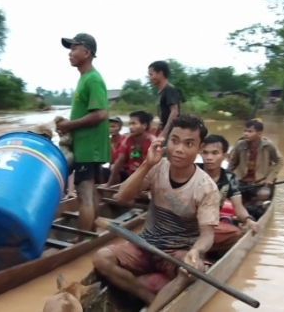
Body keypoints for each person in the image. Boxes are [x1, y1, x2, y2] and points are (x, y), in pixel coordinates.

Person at [92, 114, 220, 312]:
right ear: (167, 141)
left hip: (177, 252)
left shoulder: (206, 187)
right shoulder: (157, 167)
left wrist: (196, 251)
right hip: (145, 245)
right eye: (174, 141)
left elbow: (207, 235)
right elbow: (121, 198)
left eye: (188, 144)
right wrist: (147, 164)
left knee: (195, 270)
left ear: (200, 149)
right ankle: (150, 298)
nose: (179, 149)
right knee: (101, 258)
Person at [56, 33, 109, 242]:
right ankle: (91, 235)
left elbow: (100, 113)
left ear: (86, 52)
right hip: (86, 145)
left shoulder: (93, 79)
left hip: (90, 147)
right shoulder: (84, 78)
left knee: (84, 194)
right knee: (91, 192)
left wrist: (69, 124)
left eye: (74, 48)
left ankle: (82, 239)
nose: (70, 53)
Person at [198, 135, 260, 253]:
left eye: (215, 153)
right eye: (205, 153)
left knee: (239, 234)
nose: (209, 157)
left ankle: (205, 250)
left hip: (210, 226)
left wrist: (248, 220)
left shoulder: (229, 177)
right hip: (186, 224)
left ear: (225, 156)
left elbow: (238, 207)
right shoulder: (191, 171)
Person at [228, 119, 284, 206]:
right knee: (229, 193)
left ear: (259, 133)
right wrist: (226, 177)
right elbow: (232, 163)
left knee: (264, 194)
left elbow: (280, 161)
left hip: (260, 181)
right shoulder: (239, 145)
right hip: (241, 180)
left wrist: (270, 178)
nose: (246, 134)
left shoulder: (268, 146)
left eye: (250, 131)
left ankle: (252, 204)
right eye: (245, 131)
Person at [105, 111, 155, 187]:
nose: (130, 127)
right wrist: (109, 184)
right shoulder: (128, 140)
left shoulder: (152, 141)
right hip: (131, 177)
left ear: (144, 125)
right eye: (130, 124)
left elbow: (152, 168)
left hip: (147, 180)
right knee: (113, 167)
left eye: (134, 124)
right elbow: (119, 161)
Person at [148, 61, 180, 140]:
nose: (150, 78)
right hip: (166, 131)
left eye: (151, 74)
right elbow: (163, 118)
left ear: (160, 73)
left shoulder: (169, 89)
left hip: (173, 132)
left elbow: (174, 112)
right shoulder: (161, 92)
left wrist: (163, 134)